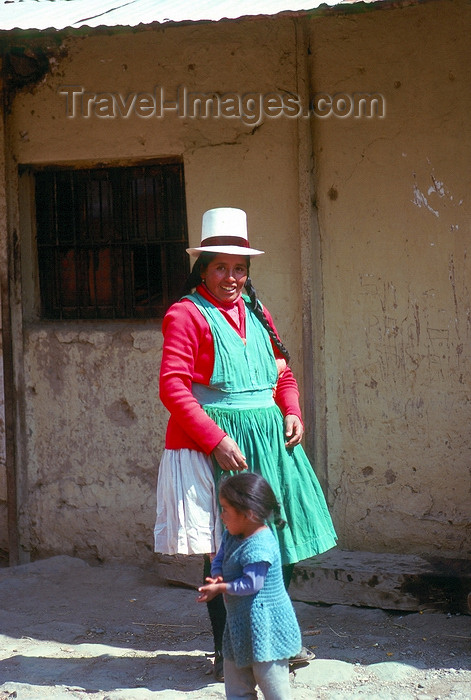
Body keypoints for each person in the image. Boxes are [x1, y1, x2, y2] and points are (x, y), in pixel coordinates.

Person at [154, 206, 337, 682]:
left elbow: (283, 373)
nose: (232, 277)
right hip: (224, 446)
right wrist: (215, 440)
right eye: (221, 267)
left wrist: (292, 409)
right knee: (229, 548)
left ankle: (276, 640)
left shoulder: (257, 312)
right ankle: (230, 651)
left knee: (279, 541)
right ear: (203, 268)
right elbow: (172, 386)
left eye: (240, 268)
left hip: (272, 445)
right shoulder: (186, 315)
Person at [197, 472, 301, 700]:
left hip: (267, 632)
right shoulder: (231, 535)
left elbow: (252, 584)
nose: (221, 515)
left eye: (225, 509)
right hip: (239, 628)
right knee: (237, 690)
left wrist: (221, 589)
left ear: (248, 514)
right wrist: (217, 578)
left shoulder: (260, 545)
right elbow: (219, 560)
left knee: (275, 690)